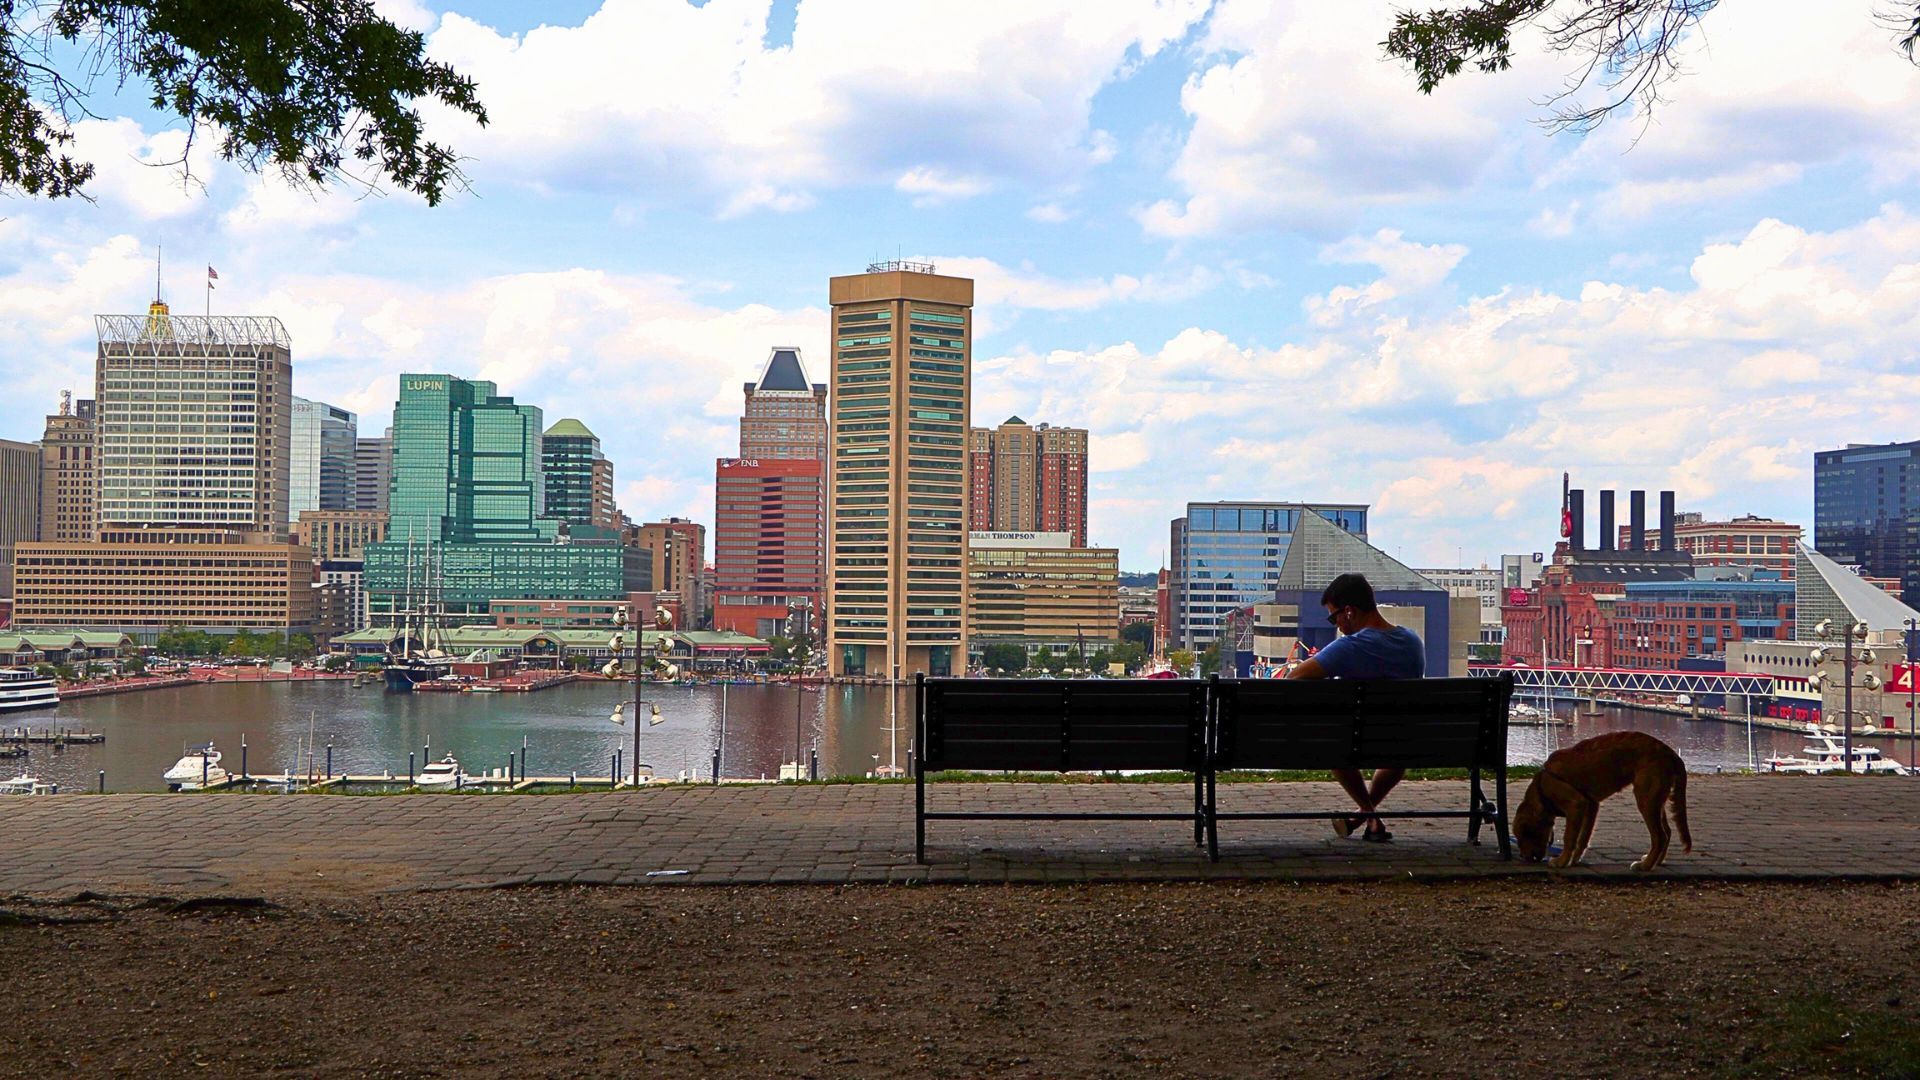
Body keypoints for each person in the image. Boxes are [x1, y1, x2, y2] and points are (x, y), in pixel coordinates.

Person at [1286, 572, 1425, 842]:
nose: (1335, 623)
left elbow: (1295, 677)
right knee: (1394, 756)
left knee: (1335, 748)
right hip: (1404, 744)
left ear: (1348, 611)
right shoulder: (1412, 641)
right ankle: (1367, 816)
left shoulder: (1350, 647)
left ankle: (1366, 814)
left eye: (1333, 615)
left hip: (1352, 745)